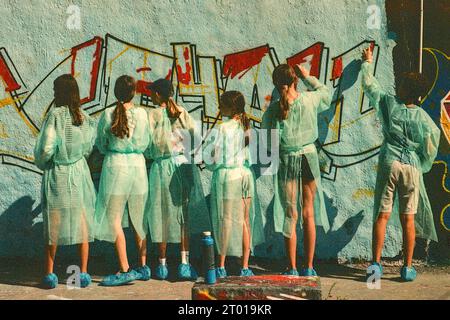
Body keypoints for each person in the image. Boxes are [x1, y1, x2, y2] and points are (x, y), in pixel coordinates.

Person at [361, 47, 440, 281]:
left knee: (382, 215)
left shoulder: (389, 104)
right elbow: (431, 143)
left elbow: (370, 85)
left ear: (404, 89)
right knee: (409, 218)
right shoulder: (424, 118)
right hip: (411, 167)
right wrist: (421, 162)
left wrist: (367, 62)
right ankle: (406, 268)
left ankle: (375, 266)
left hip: (390, 161)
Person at [262, 63, 331, 276]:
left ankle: (291, 268)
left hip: (286, 160)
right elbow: (326, 93)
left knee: (289, 214)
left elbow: (267, 142)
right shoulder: (309, 100)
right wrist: (309, 76)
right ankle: (309, 267)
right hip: (308, 158)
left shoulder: (273, 110)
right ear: (295, 81)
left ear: (276, 84)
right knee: (308, 214)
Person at [34, 74, 96, 289]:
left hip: (58, 173)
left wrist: (43, 162)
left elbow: (46, 148)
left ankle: (50, 273)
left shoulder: (55, 116)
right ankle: (84, 272)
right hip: (80, 173)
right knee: (82, 222)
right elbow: (88, 148)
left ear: (59, 92)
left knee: (54, 222)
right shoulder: (85, 117)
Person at [145, 78, 207, 281]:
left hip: (161, 166)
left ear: (156, 95)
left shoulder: (151, 114)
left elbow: (147, 144)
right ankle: (184, 263)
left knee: (161, 214)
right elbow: (196, 140)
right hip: (182, 165)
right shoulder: (183, 112)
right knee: (183, 217)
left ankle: (162, 265)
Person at [95, 75, 150, 286]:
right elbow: (145, 141)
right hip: (137, 166)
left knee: (115, 219)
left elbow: (100, 142)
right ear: (134, 92)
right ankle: (143, 265)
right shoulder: (142, 114)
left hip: (115, 166)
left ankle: (125, 268)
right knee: (139, 217)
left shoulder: (108, 113)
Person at [203, 91, 264, 278]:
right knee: (246, 221)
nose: (219, 108)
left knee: (226, 220)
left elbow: (213, 157)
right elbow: (251, 157)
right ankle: (245, 266)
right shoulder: (247, 127)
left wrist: (211, 164)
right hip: (245, 175)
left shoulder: (222, 128)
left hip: (228, 176)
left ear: (230, 108)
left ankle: (221, 265)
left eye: (222, 105)